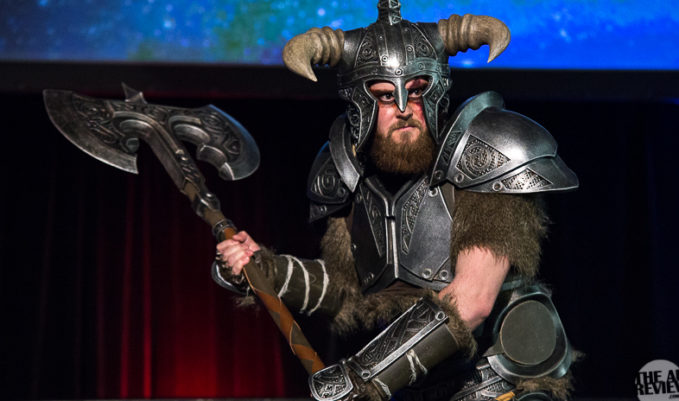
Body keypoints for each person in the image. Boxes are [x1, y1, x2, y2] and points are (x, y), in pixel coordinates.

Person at [215, 2, 578, 400]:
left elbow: (472, 301)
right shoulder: (350, 174)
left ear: (437, 90)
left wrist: (361, 376)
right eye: (385, 96)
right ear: (359, 104)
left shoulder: (487, 155)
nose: (404, 109)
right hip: (413, 384)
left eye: (417, 91)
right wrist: (265, 270)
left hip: (495, 380)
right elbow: (350, 292)